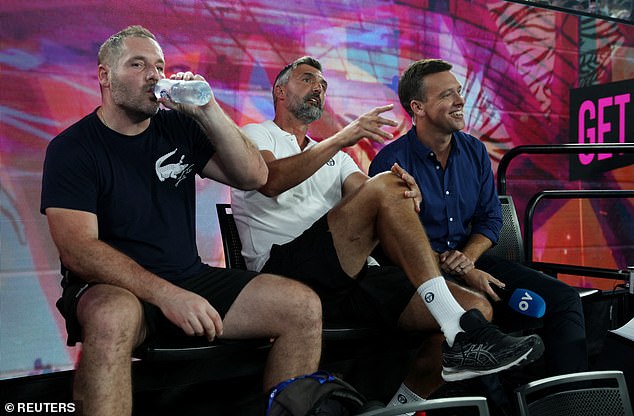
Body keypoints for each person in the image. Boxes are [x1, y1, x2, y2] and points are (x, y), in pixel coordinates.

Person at [231, 56, 544, 411]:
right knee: (385, 187)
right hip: (285, 273)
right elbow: (270, 181)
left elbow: (376, 198)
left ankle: (401, 408)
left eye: (323, 84)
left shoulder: (338, 159)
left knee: (475, 307)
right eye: (307, 80)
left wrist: (405, 192)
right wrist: (344, 139)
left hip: (347, 275)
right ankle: (459, 329)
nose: (318, 88)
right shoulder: (257, 134)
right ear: (279, 90)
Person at [40, 26, 322, 416]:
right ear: (105, 76)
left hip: (186, 277)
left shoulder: (178, 127)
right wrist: (167, 295)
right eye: (138, 65)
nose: (154, 75)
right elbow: (78, 250)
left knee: (301, 306)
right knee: (112, 316)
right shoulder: (72, 148)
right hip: (110, 286)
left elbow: (254, 177)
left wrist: (208, 110)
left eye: (159, 66)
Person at [369, 58, 588, 380]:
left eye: (458, 92)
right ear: (417, 107)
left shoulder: (474, 150)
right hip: (417, 272)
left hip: (468, 260)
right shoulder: (391, 163)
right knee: (475, 313)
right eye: (446, 95)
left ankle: (569, 402)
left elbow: (490, 218)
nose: (460, 101)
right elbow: (393, 243)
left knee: (564, 299)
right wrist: (462, 270)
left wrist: (469, 260)